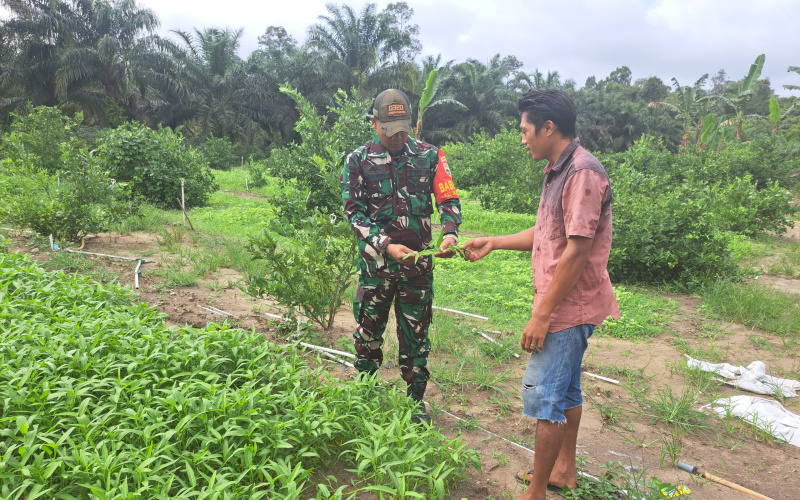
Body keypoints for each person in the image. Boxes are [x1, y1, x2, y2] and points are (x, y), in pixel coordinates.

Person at [462, 89, 619, 499]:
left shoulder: (582, 172)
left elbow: (578, 249)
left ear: (549, 127)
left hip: (567, 307)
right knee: (566, 390)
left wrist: (543, 313)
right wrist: (494, 240)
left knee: (544, 396)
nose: (521, 138)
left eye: (524, 130)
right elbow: (549, 231)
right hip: (566, 304)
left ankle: (535, 494)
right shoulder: (559, 169)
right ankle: (563, 471)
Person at [341, 89, 462, 424]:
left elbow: (448, 200)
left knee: (416, 337)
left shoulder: (431, 156)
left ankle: (415, 404)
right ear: (373, 123)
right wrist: (385, 245)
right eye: (388, 129)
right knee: (368, 333)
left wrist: (450, 232)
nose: (396, 137)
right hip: (376, 268)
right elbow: (353, 213)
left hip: (417, 270)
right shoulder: (358, 160)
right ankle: (365, 393)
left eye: (402, 129)